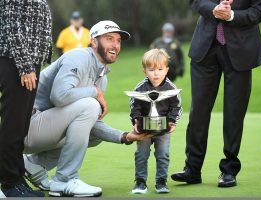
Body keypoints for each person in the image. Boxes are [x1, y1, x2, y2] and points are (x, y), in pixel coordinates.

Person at [22, 20, 149, 197]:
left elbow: (92, 123)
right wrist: (94, 92)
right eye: (109, 39)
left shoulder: (102, 75)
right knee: (90, 105)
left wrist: (124, 136)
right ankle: (65, 180)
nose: (115, 45)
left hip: (43, 129)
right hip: (24, 128)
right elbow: (59, 96)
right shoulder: (78, 57)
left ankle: (34, 165)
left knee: (94, 135)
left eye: (118, 40)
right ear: (94, 42)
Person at [171, 0, 261, 188]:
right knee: (198, 111)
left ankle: (229, 170)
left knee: (234, 113)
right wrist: (214, 9)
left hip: (241, 50)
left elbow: (260, 9)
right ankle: (192, 169)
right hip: (204, 48)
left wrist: (232, 15)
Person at [0, 0, 52, 197]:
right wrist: (25, 66)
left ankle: (17, 178)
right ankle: (9, 183)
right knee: (13, 125)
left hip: (30, 61)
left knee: (20, 125)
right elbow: (12, 26)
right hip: (16, 62)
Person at [130, 49, 182, 194]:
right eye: (151, 70)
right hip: (144, 130)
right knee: (141, 155)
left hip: (163, 129)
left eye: (160, 69)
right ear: (145, 71)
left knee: (163, 154)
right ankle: (140, 182)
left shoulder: (172, 89)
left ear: (166, 70)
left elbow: (176, 107)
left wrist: (172, 121)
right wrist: (135, 121)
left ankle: (161, 182)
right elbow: (135, 107)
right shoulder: (140, 88)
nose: (156, 73)